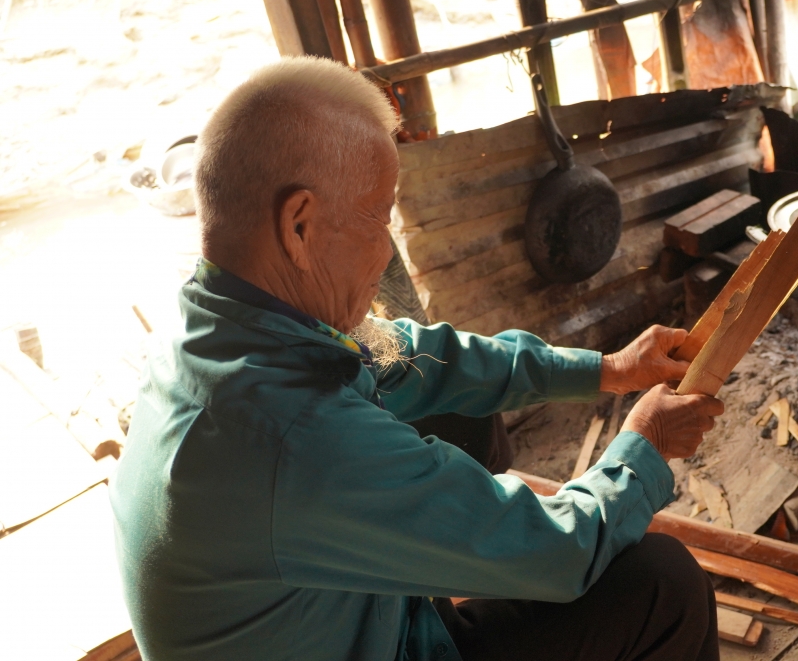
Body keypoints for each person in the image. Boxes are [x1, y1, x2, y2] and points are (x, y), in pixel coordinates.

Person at [109, 56, 726, 661]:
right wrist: (644, 445)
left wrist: (608, 370)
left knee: (464, 409)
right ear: (299, 226)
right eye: (377, 218)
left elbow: (411, 354)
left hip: (363, 627)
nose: (385, 253)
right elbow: (564, 552)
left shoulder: (215, 325)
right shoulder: (290, 437)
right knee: (664, 585)